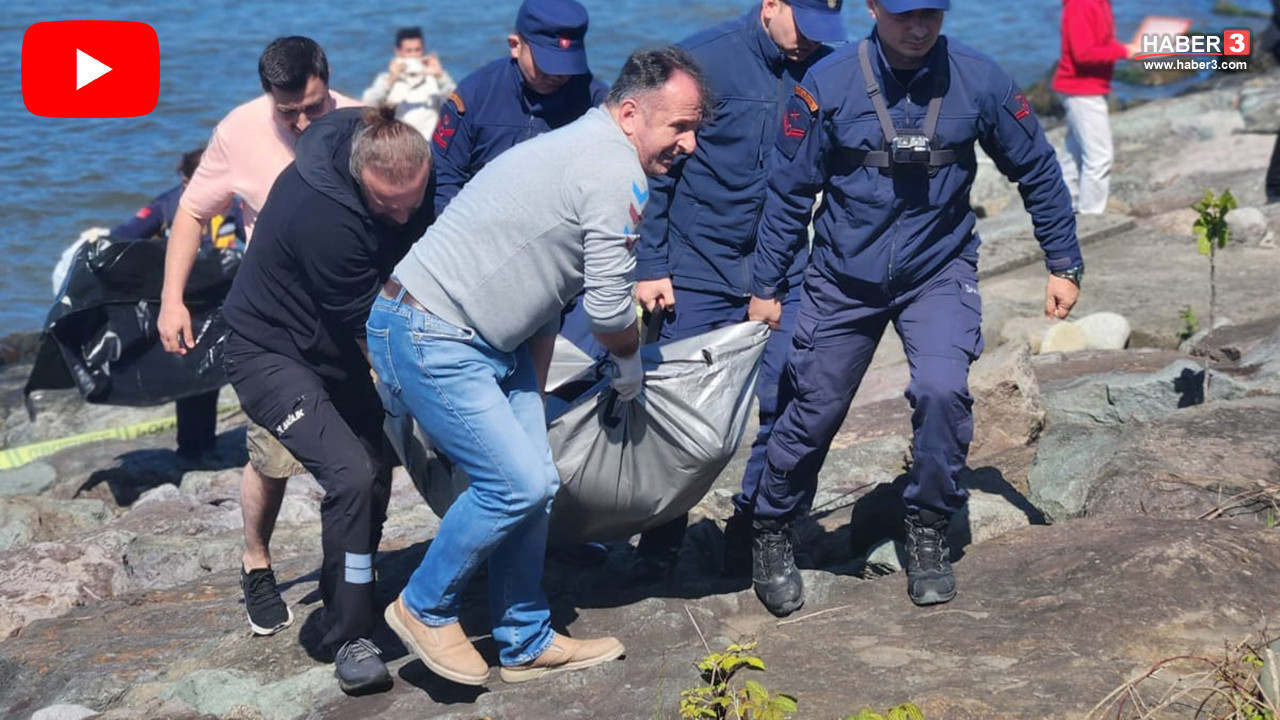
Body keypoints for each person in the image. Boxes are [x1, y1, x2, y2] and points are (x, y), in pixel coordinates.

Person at [367, 47, 710, 686]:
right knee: (516, 484)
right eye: (680, 127)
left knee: (539, 481)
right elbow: (609, 309)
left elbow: (549, 284)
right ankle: (422, 606)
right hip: (429, 331)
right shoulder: (614, 172)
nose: (689, 144)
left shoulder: (583, 138)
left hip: (492, 339)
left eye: (695, 128)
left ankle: (523, 637)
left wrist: (533, 380)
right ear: (632, 113)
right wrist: (630, 361)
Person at [746, 0, 1084, 617]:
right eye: (903, 15)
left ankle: (927, 523)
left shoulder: (980, 79)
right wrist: (767, 286)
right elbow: (790, 192)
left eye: (931, 13)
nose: (918, 28)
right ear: (873, 8)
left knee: (941, 390)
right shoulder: (828, 83)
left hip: (939, 269)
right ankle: (771, 528)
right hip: (844, 276)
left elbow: (1035, 168)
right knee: (812, 407)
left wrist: (1063, 262)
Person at [221, 106, 435, 694]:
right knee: (351, 472)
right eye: (389, 205)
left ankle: (357, 585)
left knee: (375, 465)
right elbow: (375, 330)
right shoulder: (325, 217)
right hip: (269, 351)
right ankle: (348, 633)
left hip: (331, 346)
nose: (404, 214)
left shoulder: (404, 165)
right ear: (359, 175)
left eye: (413, 200)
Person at [631, 0, 846, 581]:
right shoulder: (700, 62)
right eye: (804, 26)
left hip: (782, 269)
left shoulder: (829, 66)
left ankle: (757, 527)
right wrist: (651, 264)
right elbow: (655, 169)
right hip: (695, 267)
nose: (811, 41)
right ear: (770, 4)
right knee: (682, 413)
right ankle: (661, 540)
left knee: (799, 395)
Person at [156, 36, 360, 638]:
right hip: (274, 324)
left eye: (312, 108)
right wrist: (173, 301)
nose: (300, 122)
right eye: (287, 112)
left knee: (362, 456)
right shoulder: (239, 130)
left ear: (328, 80)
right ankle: (256, 562)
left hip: (349, 316)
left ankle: (344, 578)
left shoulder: (358, 124)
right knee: (272, 457)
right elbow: (193, 213)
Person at [110, 147, 244, 466]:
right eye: (194, 182)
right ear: (184, 180)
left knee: (228, 369)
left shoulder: (235, 204)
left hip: (222, 298)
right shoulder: (167, 204)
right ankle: (193, 448)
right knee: (191, 371)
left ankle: (216, 443)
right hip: (184, 301)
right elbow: (122, 237)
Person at [430, 0, 608, 214]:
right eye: (548, 64)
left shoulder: (598, 105)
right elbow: (445, 180)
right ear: (515, 45)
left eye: (567, 64)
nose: (558, 75)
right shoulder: (474, 96)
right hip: (479, 224)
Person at [1052, 0, 1137, 214]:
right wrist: (1124, 51)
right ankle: (1091, 218)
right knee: (1099, 158)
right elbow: (1084, 53)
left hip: (1086, 88)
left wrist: (1126, 50)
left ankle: (1062, 209)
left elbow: (1101, 43)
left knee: (1074, 153)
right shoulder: (1082, 4)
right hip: (1081, 90)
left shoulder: (1101, 3)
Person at [362, 26, 456, 139]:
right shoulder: (386, 79)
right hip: (399, 142)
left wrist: (440, 76)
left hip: (428, 142)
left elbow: (456, 103)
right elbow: (368, 104)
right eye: (409, 51)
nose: (414, 55)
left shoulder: (435, 78)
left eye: (417, 50)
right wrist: (391, 79)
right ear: (398, 52)